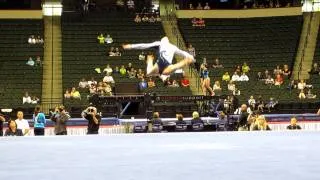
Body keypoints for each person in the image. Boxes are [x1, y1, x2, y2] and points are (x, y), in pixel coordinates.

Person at [122, 37, 195, 76]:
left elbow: (144, 45)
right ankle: (183, 62)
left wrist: (131, 46)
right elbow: (183, 53)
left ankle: (150, 60)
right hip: (167, 65)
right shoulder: (173, 46)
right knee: (168, 71)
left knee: (148, 73)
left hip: (161, 62)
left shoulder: (160, 43)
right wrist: (191, 58)